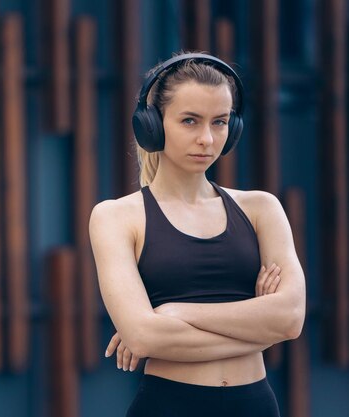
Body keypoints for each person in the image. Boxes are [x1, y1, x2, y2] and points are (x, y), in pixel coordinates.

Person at [89, 52, 306, 416]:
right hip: (169, 405)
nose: (207, 138)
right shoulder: (116, 217)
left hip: (255, 405)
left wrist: (174, 312)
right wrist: (259, 329)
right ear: (153, 125)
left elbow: (290, 319)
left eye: (219, 122)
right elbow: (144, 336)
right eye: (190, 120)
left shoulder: (261, 208)